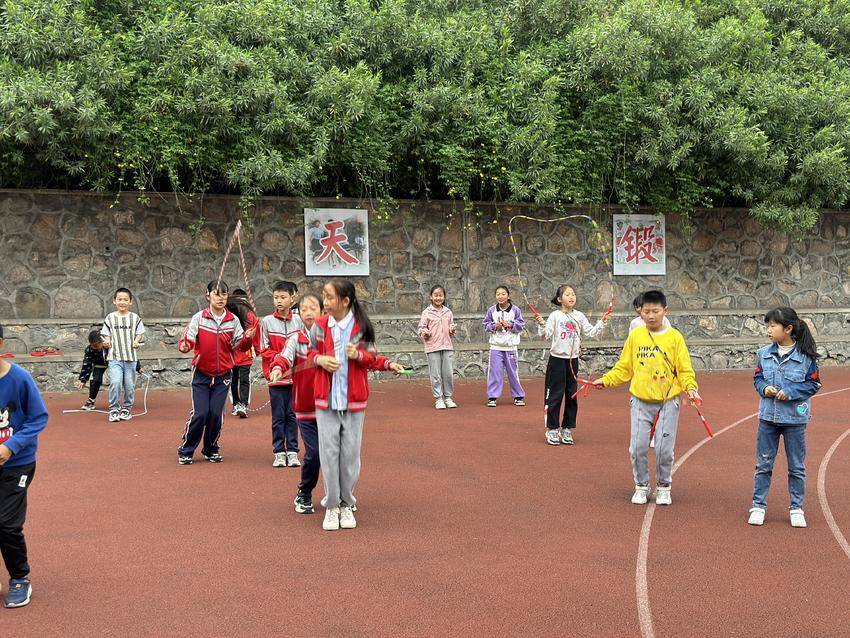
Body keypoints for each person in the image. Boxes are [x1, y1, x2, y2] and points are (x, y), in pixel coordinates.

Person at [306, 279, 403, 531]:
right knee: (329, 456)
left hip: (354, 402)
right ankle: (331, 506)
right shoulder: (318, 326)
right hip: (325, 402)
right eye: (323, 297)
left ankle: (347, 503)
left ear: (345, 301)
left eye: (329, 298)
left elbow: (371, 356)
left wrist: (360, 356)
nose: (324, 303)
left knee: (349, 456)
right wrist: (320, 359)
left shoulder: (361, 327)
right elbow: (308, 354)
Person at [593, 290, 700, 506]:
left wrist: (691, 388)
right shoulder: (636, 336)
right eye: (646, 311)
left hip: (668, 401)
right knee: (638, 447)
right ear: (640, 312)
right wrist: (607, 380)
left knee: (663, 449)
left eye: (656, 311)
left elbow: (685, 369)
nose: (651, 316)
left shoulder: (675, 338)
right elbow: (624, 367)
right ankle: (641, 485)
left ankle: (663, 486)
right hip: (640, 400)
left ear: (665, 311)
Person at [749, 307, 821, 528]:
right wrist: (764, 388)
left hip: (795, 421)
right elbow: (757, 378)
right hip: (768, 419)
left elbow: (814, 383)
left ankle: (796, 507)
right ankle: (758, 505)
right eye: (767, 325)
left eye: (772, 326)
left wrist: (790, 392)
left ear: (788, 328)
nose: (768, 330)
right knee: (763, 464)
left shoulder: (806, 357)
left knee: (796, 466)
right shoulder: (764, 354)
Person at [176, 281, 254, 465]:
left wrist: (247, 339)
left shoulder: (233, 320)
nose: (220, 298)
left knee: (215, 414)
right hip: (202, 373)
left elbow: (239, 346)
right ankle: (186, 449)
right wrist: (185, 345)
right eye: (216, 293)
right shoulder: (199, 318)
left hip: (224, 374)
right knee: (201, 413)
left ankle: (211, 448)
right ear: (208, 295)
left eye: (224, 294)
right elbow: (185, 341)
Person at [0, 322, 48, 608]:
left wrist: (10, 446)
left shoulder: (19, 378)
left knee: (5, 523)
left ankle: (20, 578)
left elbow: (38, 418)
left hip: (17, 463)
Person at [270, 293, 324, 514]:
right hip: (305, 409)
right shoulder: (295, 339)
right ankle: (305, 492)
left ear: (323, 312)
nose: (308, 313)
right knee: (314, 454)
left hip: (331, 408)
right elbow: (284, 357)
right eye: (304, 309)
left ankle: (340, 496)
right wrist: (277, 367)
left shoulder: (331, 338)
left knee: (338, 455)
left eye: (313, 308)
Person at [535, 284, 608, 445]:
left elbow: (590, 332)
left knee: (571, 395)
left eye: (573, 294)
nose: (571, 297)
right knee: (554, 395)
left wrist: (602, 322)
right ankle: (552, 429)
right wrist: (541, 324)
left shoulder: (579, 316)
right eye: (567, 295)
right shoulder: (555, 316)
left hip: (573, 361)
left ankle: (567, 428)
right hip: (556, 360)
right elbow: (546, 335)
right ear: (560, 299)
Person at [260, 281, 303, 467]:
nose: (279, 301)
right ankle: (279, 451)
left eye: (283, 297)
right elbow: (263, 348)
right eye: (276, 297)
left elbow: (304, 346)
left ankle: (292, 451)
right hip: (276, 377)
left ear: (293, 297)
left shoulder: (300, 321)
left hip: (297, 377)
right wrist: (280, 359)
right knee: (278, 416)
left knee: (293, 415)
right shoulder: (267, 322)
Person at [101, 288, 145, 422]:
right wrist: (106, 342)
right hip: (115, 357)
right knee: (115, 382)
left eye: (125, 299)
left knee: (129, 385)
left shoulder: (134, 318)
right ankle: (114, 410)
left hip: (131, 358)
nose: (122, 302)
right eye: (119, 299)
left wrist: (137, 341)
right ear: (114, 301)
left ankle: (126, 409)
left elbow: (141, 333)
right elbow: (105, 335)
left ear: (130, 302)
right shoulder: (110, 317)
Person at [77, 330, 142, 411]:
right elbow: (87, 363)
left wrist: (138, 367)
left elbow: (128, 353)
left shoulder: (115, 344)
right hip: (99, 364)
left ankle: (124, 402)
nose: (93, 347)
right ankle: (91, 401)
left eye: (95, 345)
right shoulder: (90, 350)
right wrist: (83, 379)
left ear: (103, 341)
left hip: (115, 362)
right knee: (96, 380)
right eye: (91, 345)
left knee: (120, 380)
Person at [483, 286, 526, 407]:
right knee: (495, 372)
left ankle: (518, 396)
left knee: (513, 372)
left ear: (508, 296)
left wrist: (512, 324)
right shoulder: (491, 310)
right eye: (498, 294)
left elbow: (521, 324)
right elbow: (485, 324)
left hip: (510, 347)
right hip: (496, 347)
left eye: (503, 294)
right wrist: (493, 326)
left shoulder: (515, 310)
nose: (500, 296)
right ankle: (492, 396)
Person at [417, 285, 457, 409]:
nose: (438, 298)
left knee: (448, 373)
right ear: (431, 297)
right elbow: (421, 328)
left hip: (447, 346)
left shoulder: (448, 312)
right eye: (436, 295)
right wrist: (424, 332)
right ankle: (439, 398)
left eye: (440, 295)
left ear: (444, 297)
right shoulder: (427, 312)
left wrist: (452, 329)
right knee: (436, 374)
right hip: (432, 346)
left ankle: (448, 397)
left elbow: (451, 328)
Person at [226, 289, 259, 418]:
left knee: (244, 379)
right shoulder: (229, 316)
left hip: (246, 353)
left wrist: (256, 349)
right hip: (232, 353)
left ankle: (244, 405)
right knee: (232, 380)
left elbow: (256, 333)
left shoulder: (251, 316)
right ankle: (236, 404)